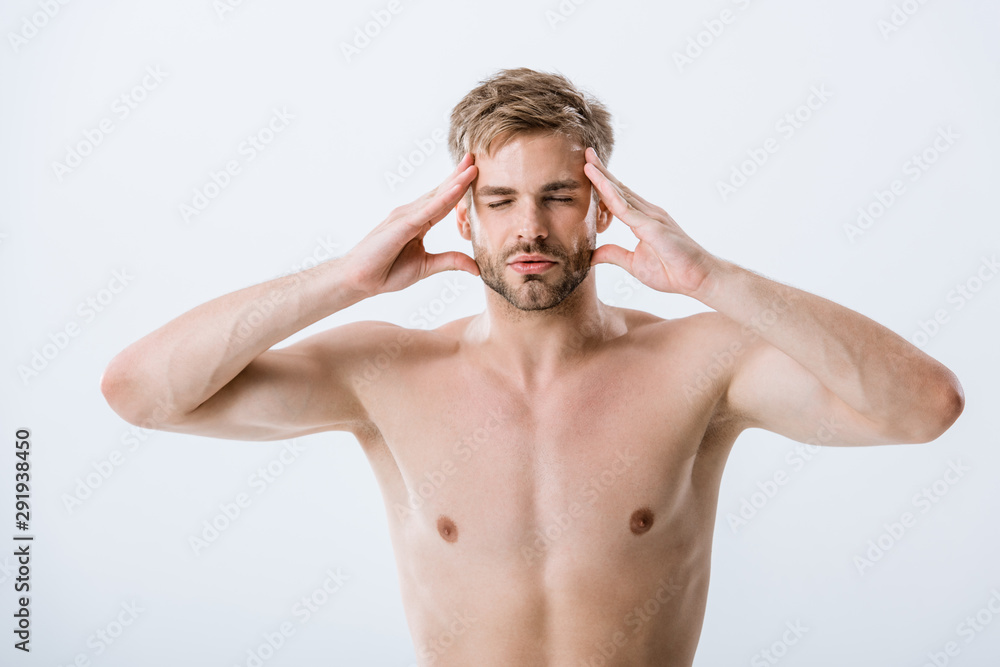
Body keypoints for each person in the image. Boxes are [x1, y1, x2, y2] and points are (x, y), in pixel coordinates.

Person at [100, 67, 964, 665]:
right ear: (462, 217)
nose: (531, 228)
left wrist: (714, 279)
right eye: (499, 199)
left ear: (602, 209)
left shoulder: (702, 362)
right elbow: (140, 392)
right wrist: (344, 278)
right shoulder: (383, 373)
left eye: (559, 196)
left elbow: (924, 407)